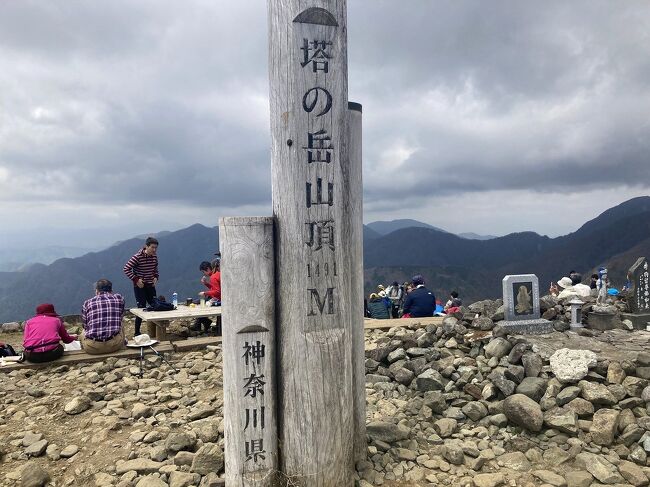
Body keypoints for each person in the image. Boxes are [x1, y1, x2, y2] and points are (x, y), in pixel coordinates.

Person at [124, 237, 159, 336]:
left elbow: (155, 268)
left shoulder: (154, 256)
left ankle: (154, 330)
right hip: (140, 286)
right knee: (141, 308)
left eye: (156, 248)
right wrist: (136, 280)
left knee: (154, 305)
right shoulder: (137, 257)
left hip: (150, 285)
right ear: (146, 246)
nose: (154, 250)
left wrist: (156, 277)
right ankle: (137, 332)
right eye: (152, 247)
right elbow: (126, 269)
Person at [81, 279, 126, 355]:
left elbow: (85, 326)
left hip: (92, 347)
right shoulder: (119, 299)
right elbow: (120, 316)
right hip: (115, 345)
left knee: (83, 332)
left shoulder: (87, 303)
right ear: (111, 290)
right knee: (121, 323)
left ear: (96, 291)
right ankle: (123, 342)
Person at [192, 259, 222, 333]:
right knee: (200, 302)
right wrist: (206, 283)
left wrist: (205, 293)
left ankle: (203, 323)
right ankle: (201, 324)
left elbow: (217, 292)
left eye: (203, 271)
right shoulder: (217, 274)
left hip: (218, 299)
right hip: (218, 298)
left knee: (200, 303)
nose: (204, 274)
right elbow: (214, 289)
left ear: (208, 269)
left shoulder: (213, 277)